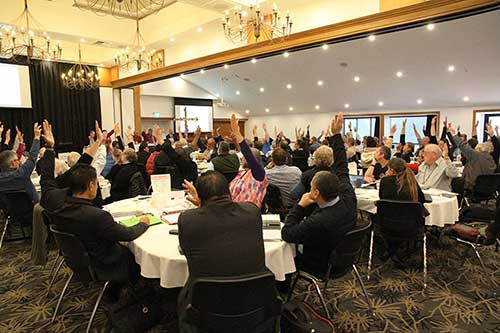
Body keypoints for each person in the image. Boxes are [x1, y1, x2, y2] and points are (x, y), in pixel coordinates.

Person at [37, 120, 150, 300]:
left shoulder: (52, 201)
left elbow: (47, 178)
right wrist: (143, 223)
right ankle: (136, 291)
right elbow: (127, 234)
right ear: (91, 185)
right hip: (104, 263)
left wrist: (50, 148)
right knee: (137, 253)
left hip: (79, 261)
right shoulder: (97, 216)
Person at [178, 171, 268, 332]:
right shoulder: (252, 211)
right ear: (229, 190)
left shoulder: (188, 219)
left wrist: (201, 205)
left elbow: (186, 250)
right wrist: (202, 205)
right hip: (253, 301)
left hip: (205, 306)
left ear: (200, 196)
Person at [282, 113, 357, 276]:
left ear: (315, 193)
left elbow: (287, 233)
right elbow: (342, 166)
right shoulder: (347, 195)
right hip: (345, 258)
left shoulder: (318, 221)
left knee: (285, 254)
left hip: (320, 263)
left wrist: (300, 206)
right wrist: (336, 135)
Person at [228, 115, 269, 208]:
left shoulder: (259, 175)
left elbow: (248, 154)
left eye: (244, 157)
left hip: (248, 213)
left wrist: (237, 133)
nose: (242, 158)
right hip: (233, 209)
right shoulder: (241, 173)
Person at [0, 122, 41, 203]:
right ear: (12, 163)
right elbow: (32, 157)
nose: (19, 161)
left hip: (9, 213)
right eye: (16, 160)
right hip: (32, 209)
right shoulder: (22, 174)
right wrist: (36, 137)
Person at [450, 124, 497, 191]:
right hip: (487, 188)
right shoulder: (491, 158)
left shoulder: (476, 155)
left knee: (455, 182)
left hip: (471, 187)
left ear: (480, 149)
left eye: (476, 149)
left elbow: (462, 146)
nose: (474, 150)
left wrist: (454, 135)